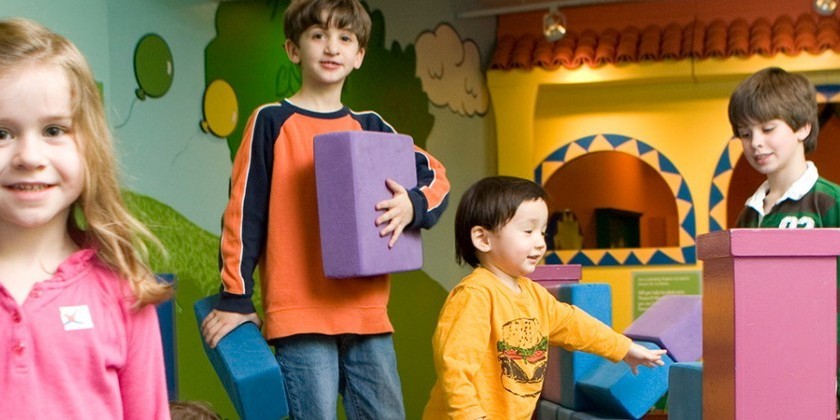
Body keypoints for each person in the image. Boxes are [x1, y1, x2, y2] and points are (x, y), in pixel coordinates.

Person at [200, 0, 450, 418]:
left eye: (345, 38)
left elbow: (436, 176)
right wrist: (236, 298)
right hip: (300, 319)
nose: (332, 47)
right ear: (293, 49)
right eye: (318, 35)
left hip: (368, 316)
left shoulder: (371, 127)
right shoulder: (270, 122)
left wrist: (413, 204)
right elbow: (244, 215)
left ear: (359, 55)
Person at [0, 18, 172, 419]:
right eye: (2, 133)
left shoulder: (124, 291)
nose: (29, 157)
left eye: (54, 130)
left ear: (90, 145)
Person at [423, 176, 665, 419]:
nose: (540, 243)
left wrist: (624, 348)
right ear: (483, 239)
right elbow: (455, 367)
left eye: (543, 232)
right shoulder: (475, 296)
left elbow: (576, 326)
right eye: (528, 231)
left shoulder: (534, 295)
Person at [728, 66, 840, 413]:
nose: (756, 143)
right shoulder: (748, 216)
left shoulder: (830, 203)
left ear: (803, 126)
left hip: (823, 379)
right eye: (745, 133)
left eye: (767, 128)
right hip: (763, 376)